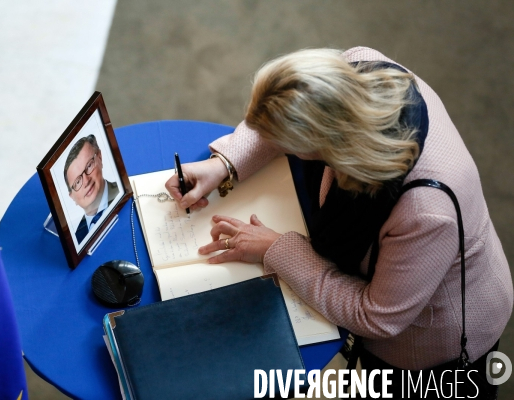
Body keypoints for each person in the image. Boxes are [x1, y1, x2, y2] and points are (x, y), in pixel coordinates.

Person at [165, 47, 513, 397]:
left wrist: (276, 248)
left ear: (327, 148)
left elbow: (378, 317)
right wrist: (224, 165)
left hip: (430, 343)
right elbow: (287, 112)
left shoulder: (425, 211)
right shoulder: (353, 69)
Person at [64, 134, 119, 243]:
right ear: (72, 197)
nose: (86, 181)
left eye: (89, 166)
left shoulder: (122, 191)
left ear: (99, 157)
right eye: (77, 182)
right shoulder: (77, 240)